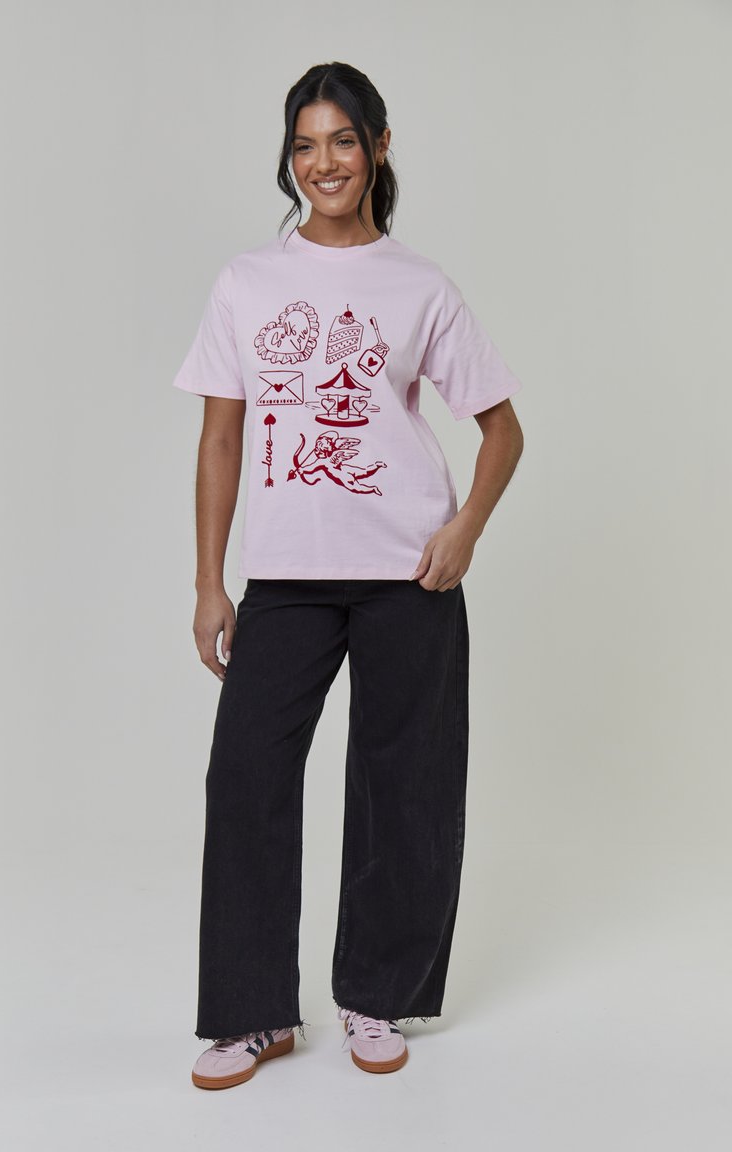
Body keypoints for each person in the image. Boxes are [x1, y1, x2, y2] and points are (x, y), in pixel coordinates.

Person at [171, 61, 524, 1091]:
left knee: (401, 783)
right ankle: (252, 1015)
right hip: (286, 575)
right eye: (304, 144)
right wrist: (209, 582)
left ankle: (376, 995)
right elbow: (220, 440)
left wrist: (464, 529)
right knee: (246, 774)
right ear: (289, 158)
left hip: (408, 571)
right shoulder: (247, 282)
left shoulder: (420, 286)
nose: (322, 162)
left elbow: (502, 430)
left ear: (377, 147)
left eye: (341, 140)